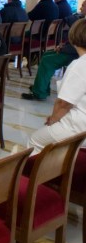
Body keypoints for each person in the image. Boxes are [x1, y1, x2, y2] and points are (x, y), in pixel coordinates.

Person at [27, 18, 86, 154]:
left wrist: (53, 119)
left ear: (74, 37)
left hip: (79, 127)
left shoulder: (79, 66)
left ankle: (37, 174)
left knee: (35, 141)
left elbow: (64, 103)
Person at [22, 0, 86, 101]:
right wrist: (63, 45)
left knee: (48, 61)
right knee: (46, 54)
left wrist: (63, 48)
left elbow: (80, 43)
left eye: (83, 6)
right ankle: (42, 88)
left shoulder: (83, 23)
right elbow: (76, 40)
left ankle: (39, 93)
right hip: (74, 50)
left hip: (76, 54)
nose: (81, 8)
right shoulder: (82, 20)